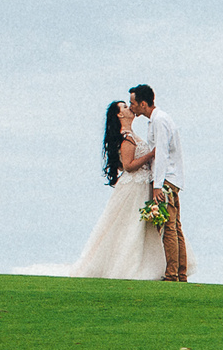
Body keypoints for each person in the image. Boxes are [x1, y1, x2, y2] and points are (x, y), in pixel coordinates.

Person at [66, 100, 165, 279]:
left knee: (136, 226)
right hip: (134, 186)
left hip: (140, 184)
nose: (130, 108)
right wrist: (151, 155)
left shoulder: (129, 135)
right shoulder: (126, 137)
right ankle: (127, 267)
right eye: (125, 107)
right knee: (130, 226)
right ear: (120, 115)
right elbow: (128, 166)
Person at [131, 84, 188, 282]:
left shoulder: (160, 121)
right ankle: (180, 272)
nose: (132, 107)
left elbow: (161, 153)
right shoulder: (159, 120)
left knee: (169, 227)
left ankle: (173, 274)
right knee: (175, 227)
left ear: (143, 103)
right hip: (172, 178)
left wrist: (157, 185)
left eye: (134, 103)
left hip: (167, 180)